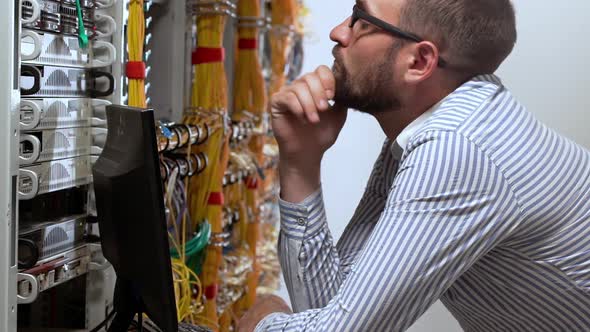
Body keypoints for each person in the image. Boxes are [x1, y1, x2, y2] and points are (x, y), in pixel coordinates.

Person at [238, 0, 590, 331]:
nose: (338, 32)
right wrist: (301, 163)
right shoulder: (429, 130)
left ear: (420, 62)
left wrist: (261, 318)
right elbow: (332, 305)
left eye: (361, 20)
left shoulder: (459, 147)